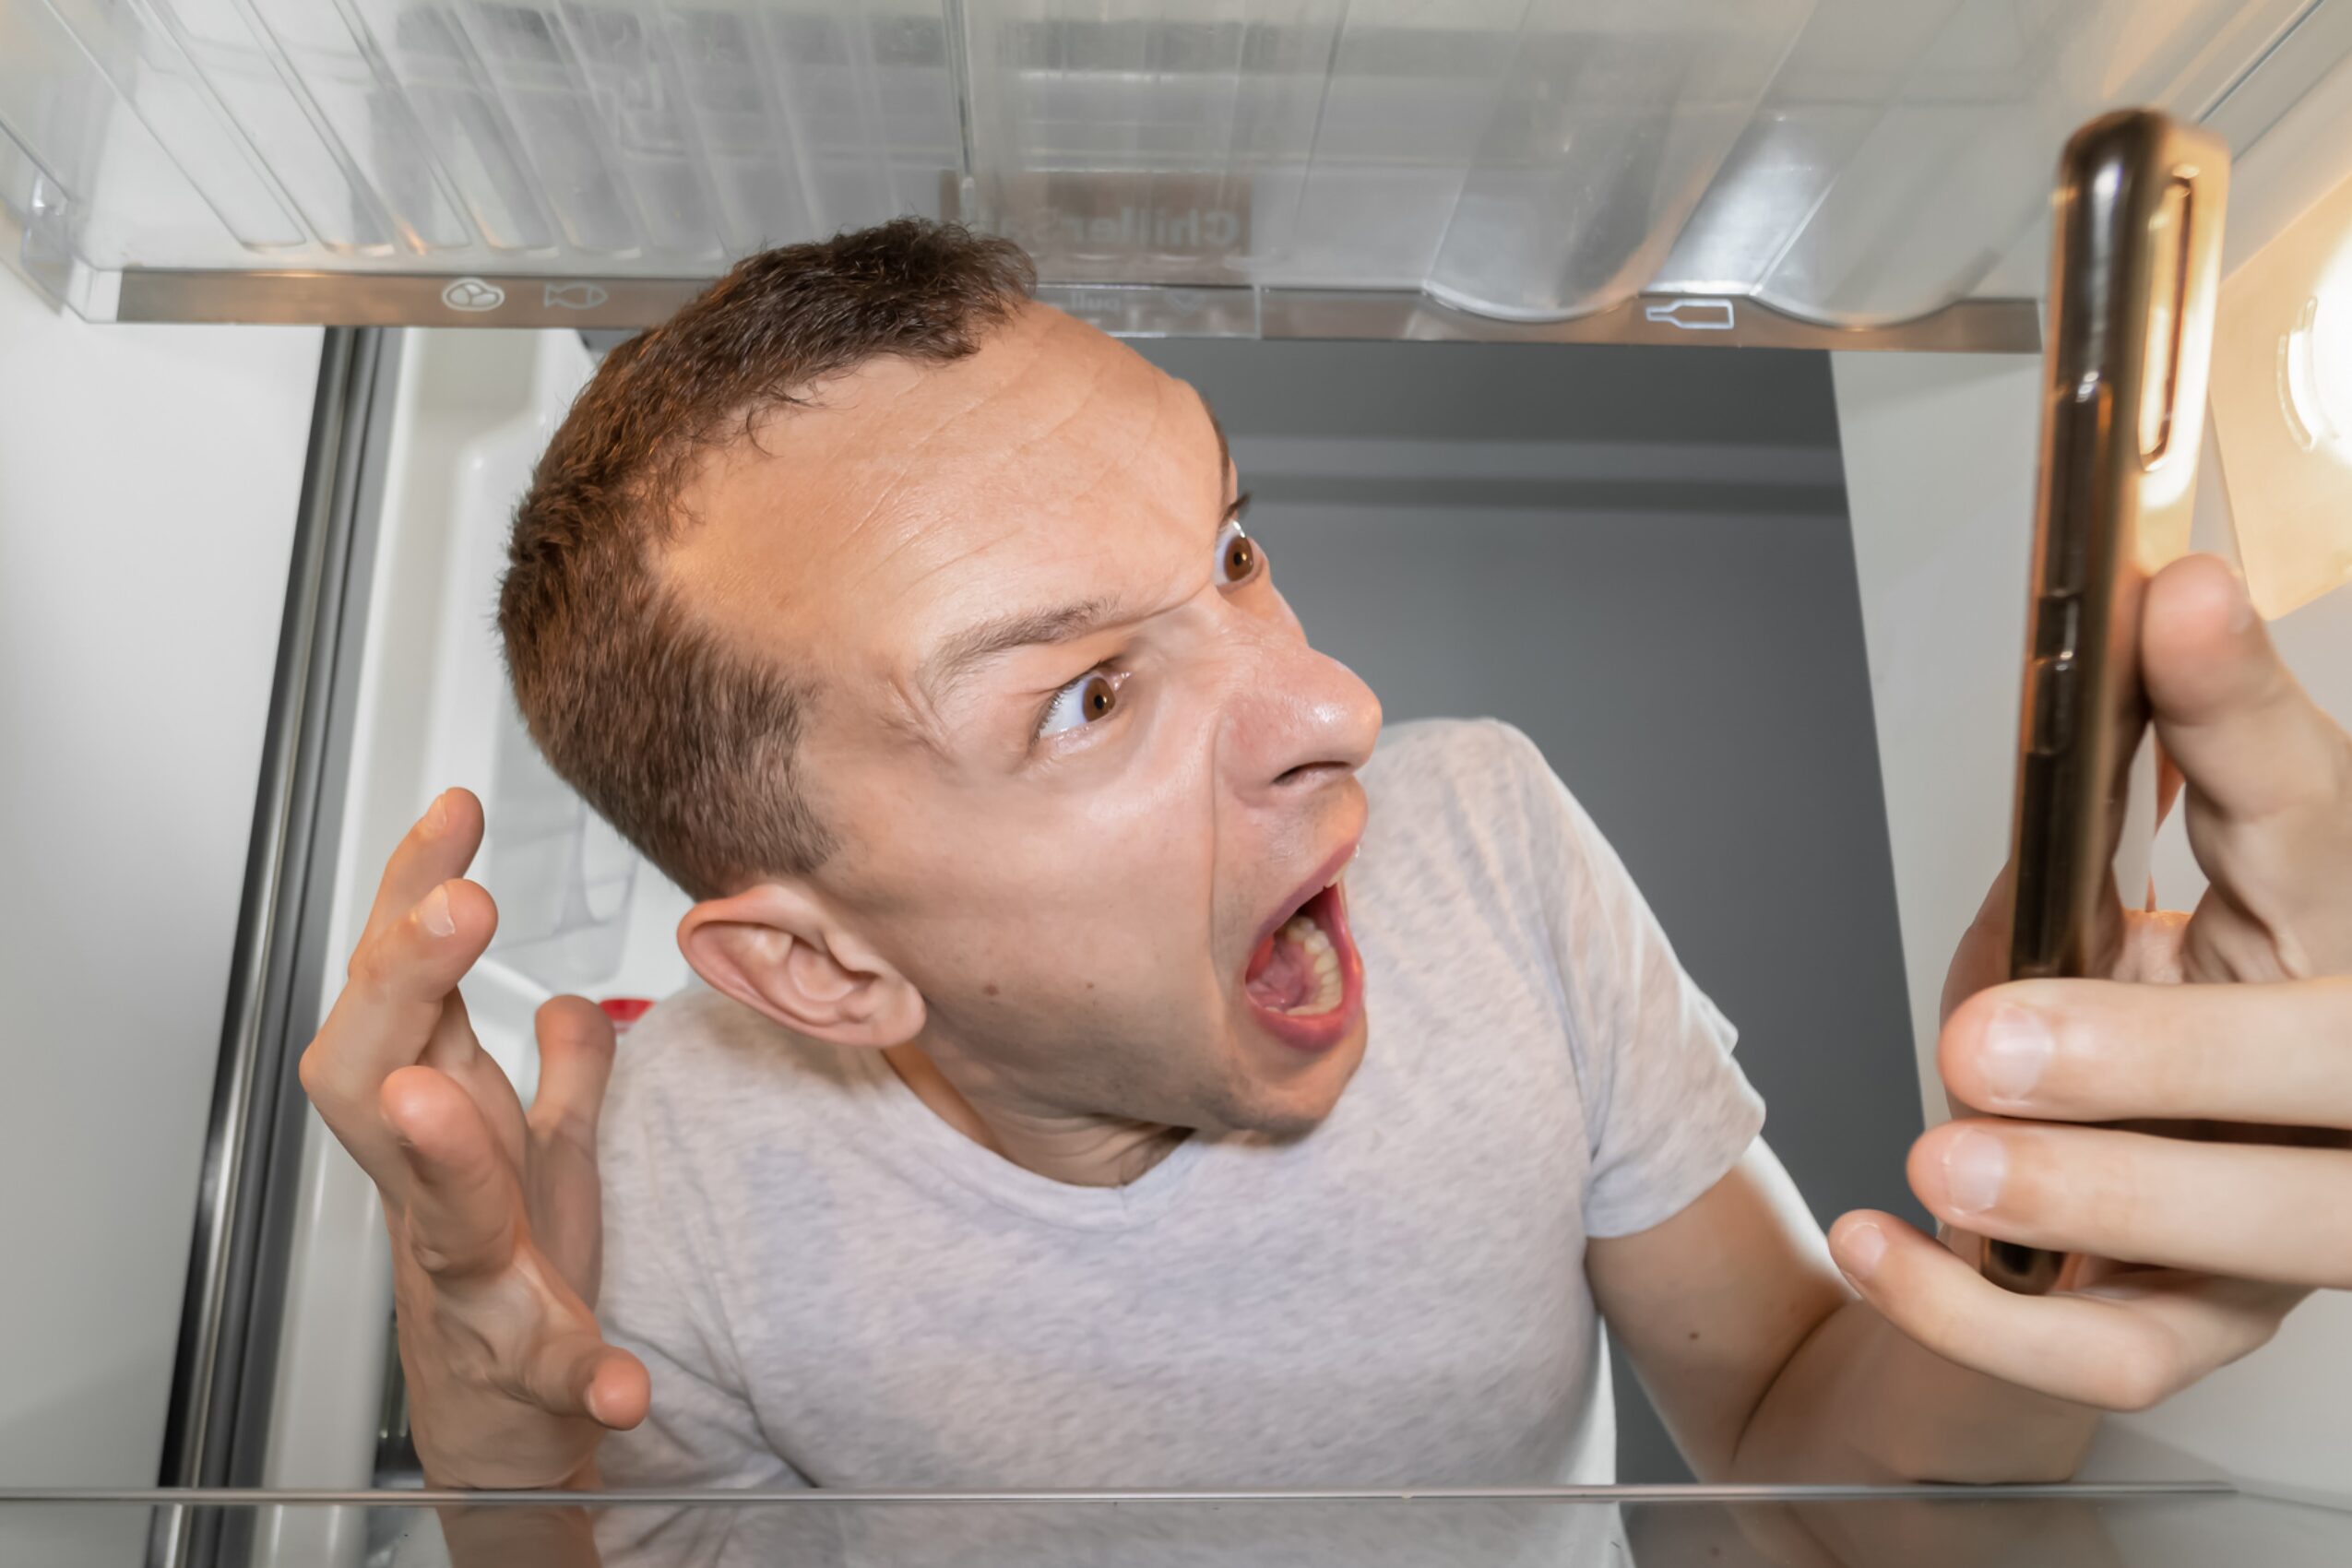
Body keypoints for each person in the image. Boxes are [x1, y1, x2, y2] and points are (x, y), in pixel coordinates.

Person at [299, 220, 2352, 1505]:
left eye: (1234, 551)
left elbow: (1806, 1464)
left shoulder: (1481, 844)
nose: (1338, 703)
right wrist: (500, 1462)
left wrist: (2038, 1266)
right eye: (1087, 696)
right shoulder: (649, 1182)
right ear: (827, 975)